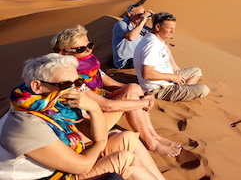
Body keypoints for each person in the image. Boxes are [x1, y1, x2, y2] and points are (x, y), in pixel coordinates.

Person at [0, 53, 165, 180]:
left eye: (78, 83)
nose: (75, 90)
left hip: (62, 168)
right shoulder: (26, 123)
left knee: (128, 138)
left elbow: (91, 132)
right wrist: (100, 142)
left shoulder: (54, 106)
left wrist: (93, 108)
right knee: (124, 160)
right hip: (48, 177)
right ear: (37, 86)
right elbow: (83, 166)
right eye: (65, 85)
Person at [51, 25, 181, 157]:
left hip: (96, 114)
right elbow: (105, 105)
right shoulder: (67, 76)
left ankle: (154, 136)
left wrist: (144, 94)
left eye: (89, 45)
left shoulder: (88, 66)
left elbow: (115, 85)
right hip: (86, 127)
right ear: (63, 53)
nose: (88, 50)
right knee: (132, 94)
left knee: (133, 88)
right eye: (81, 49)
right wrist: (144, 103)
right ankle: (150, 142)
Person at [134, 12, 210, 102]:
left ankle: (181, 88)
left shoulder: (158, 39)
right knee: (203, 89)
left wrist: (174, 74)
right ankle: (181, 90)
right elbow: (147, 74)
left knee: (196, 71)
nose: (173, 32)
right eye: (170, 28)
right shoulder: (152, 45)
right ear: (158, 27)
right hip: (158, 88)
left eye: (173, 28)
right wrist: (172, 77)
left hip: (168, 79)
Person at [112, 3, 153, 69]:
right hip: (125, 62)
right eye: (140, 14)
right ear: (130, 14)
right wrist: (142, 22)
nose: (142, 17)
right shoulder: (121, 24)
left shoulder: (138, 25)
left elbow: (156, 34)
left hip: (137, 59)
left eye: (143, 14)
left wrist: (154, 20)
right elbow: (131, 37)